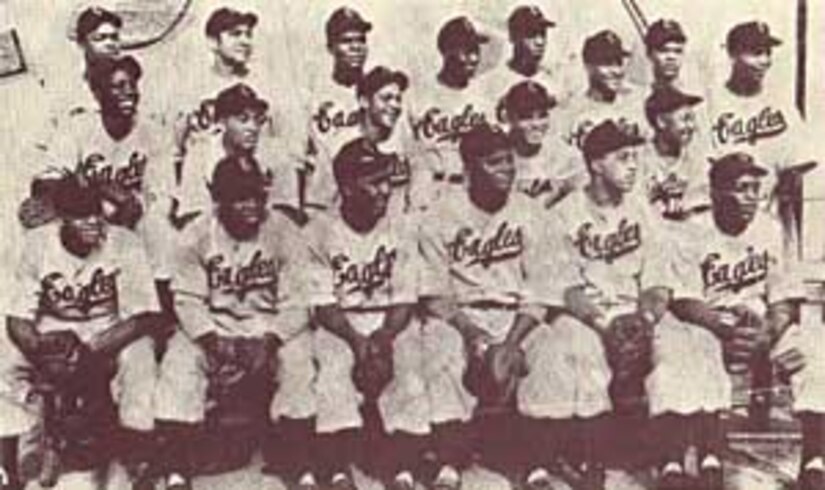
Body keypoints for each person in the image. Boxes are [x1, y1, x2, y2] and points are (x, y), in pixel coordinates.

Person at [656, 151, 825, 490]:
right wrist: (723, 329)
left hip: (759, 323)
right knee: (675, 345)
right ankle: (681, 459)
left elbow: (785, 298)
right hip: (707, 320)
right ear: (717, 192)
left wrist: (767, 332)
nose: (753, 197)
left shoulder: (770, 229)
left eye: (756, 188)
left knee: (814, 350)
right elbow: (684, 299)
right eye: (743, 188)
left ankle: (815, 459)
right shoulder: (691, 231)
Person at [155, 158, 317, 490]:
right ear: (218, 198)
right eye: (240, 197)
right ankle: (175, 468)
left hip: (271, 325)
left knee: (298, 360)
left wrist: (270, 340)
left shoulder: (284, 230)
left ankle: (300, 465)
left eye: (257, 195)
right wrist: (215, 343)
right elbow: (186, 300)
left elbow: (299, 301)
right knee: (179, 361)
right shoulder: (197, 233)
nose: (252, 205)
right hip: (215, 325)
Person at [3, 174, 163, 490]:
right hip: (55, 332)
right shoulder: (38, 244)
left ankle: (135, 456)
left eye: (96, 213)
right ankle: (11, 457)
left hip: (109, 331)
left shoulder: (124, 242)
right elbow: (16, 316)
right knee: (4, 355)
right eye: (80, 215)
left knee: (140, 356)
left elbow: (144, 316)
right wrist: (38, 348)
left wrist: (89, 351)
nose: (92, 222)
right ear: (61, 218)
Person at [307, 141, 421, 490]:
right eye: (373, 182)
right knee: (332, 365)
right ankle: (338, 469)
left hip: (389, 319)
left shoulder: (400, 227)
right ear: (345, 187)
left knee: (410, 360)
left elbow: (405, 298)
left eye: (386, 180)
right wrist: (357, 341)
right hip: (341, 323)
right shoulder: (319, 230)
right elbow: (323, 304)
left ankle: (403, 467)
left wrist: (384, 338)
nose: (384, 190)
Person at [707, 20, 815, 244]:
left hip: (770, 217)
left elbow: (796, 166)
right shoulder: (712, 102)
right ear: (733, 54)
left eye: (767, 53)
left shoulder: (780, 105)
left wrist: (773, 203)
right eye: (755, 53)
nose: (764, 61)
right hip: (721, 221)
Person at [171, 83, 299, 228]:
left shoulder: (276, 152)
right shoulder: (200, 155)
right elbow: (192, 215)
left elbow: (287, 211)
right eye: (243, 119)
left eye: (257, 119)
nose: (253, 127)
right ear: (221, 123)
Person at [407, 16, 496, 207]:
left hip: (468, 190)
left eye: (475, 50)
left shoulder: (483, 97)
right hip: (428, 188)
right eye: (465, 50)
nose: (473, 58)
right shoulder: (418, 95)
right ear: (447, 51)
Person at [306, 65, 415, 214]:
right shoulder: (338, 144)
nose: (395, 105)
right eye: (386, 98)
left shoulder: (404, 140)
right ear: (364, 101)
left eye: (398, 99)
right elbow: (318, 204)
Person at [302, 7, 374, 213]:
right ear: (331, 47)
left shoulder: (378, 93)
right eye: (346, 41)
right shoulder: (313, 95)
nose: (356, 47)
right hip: (323, 199)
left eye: (361, 40)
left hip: (368, 197)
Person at [499, 80, 583, 208]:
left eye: (542, 115)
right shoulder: (495, 155)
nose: (536, 124)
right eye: (526, 117)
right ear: (509, 117)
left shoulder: (566, 156)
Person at [562, 30, 647, 152]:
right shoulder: (572, 111)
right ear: (589, 66)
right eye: (607, 63)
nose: (616, 71)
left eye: (619, 63)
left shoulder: (637, 105)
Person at [640, 85, 711, 220]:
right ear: (661, 121)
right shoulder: (638, 158)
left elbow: (704, 203)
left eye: (692, 119)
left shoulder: (697, 159)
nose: (692, 126)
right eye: (685, 119)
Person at [483, 5, 572, 109]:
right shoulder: (494, 83)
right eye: (531, 34)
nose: (540, 42)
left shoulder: (554, 83)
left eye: (542, 34)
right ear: (513, 36)